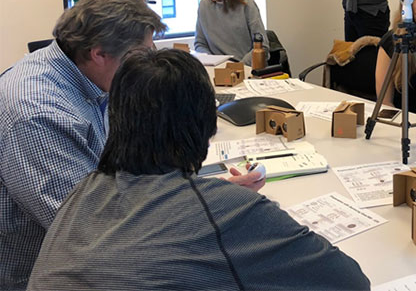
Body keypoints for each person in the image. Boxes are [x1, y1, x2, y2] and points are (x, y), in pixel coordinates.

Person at [27, 48, 370, 290]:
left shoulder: (85, 189)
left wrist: (211, 199)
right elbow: (351, 282)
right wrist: (222, 205)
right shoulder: (227, 211)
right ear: (205, 123)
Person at [0, 0, 166, 290]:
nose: (145, 66)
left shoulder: (78, 75)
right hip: (42, 275)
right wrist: (195, 215)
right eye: (139, 56)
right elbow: (89, 231)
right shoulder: (39, 114)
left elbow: (109, 178)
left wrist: (194, 197)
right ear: (99, 54)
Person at [194, 0, 269, 66]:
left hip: (244, 67)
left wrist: (238, 67)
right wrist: (211, 62)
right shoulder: (204, 5)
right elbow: (200, 43)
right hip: (216, 68)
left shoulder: (247, 6)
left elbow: (262, 47)